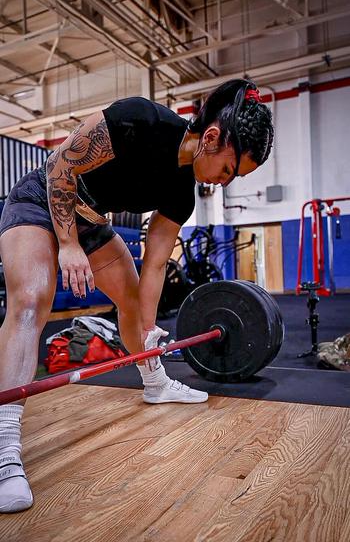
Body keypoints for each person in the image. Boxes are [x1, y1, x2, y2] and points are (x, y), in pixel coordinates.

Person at [0, 78, 273, 512]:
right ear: (213, 138)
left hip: (89, 219)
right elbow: (59, 170)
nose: (224, 182)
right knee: (32, 300)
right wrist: (67, 246)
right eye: (228, 170)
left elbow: (156, 264)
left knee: (130, 301)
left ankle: (154, 381)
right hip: (41, 199)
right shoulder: (139, 120)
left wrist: (147, 330)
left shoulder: (182, 194)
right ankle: (4, 446)